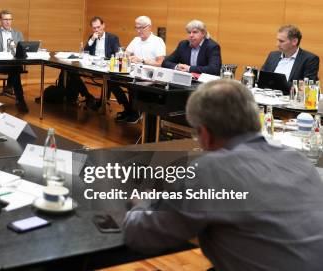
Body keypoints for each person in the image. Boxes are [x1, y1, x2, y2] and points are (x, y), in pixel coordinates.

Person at [123, 79, 323, 270]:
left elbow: (140, 234)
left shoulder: (211, 170)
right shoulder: (298, 160)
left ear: (206, 135)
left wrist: (142, 203)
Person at [114, 16, 166, 123]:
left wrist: (142, 60)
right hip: (134, 73)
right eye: (137, 28)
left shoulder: (157, 41)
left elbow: (160, 63)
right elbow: (125, 55)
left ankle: (135, 113)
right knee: (112, 81)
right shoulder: (136, 40)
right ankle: (128, 109)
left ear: (149, 27)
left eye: (142, 28)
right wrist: (127, 57)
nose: (139, 31)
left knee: (133, 85)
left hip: (150, 77)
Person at [65, 16, 120, 110]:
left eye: (98, 27)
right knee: (71, 71)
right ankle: (87, 96)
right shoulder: (92, 37)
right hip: (92, 66)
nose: (97, 30)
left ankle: (102, 102)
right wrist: (92, 40)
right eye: (94, 28)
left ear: (103, 25)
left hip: (105, 66)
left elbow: (117, 54)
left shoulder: (112, 38)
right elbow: (84, 52)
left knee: (109, 79)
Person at [0, 10, 28, 112]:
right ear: (0, 20)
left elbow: (22, 50)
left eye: (9, 19)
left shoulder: (17, 33)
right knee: (16, 69)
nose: (8, 22)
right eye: (5, 19)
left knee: (15, 67)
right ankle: (20, 99)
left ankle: (12, 88)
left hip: (13, 63)